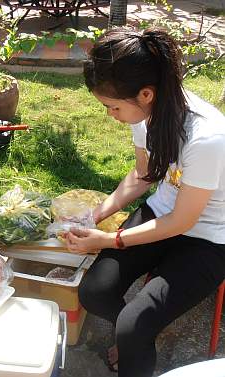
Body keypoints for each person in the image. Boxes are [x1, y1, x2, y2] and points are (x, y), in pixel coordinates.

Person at [62, 28, 225, 377]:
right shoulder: (146, 113)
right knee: (94, 293)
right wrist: (95, 215)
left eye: (112, 107)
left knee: (133, 326)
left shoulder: (207, 137)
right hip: (164, 213)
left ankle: (134, 335)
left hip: (208, 237)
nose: (110, 114)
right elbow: (144, 175)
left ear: (146, 93)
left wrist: (110, 239)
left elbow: (182, 223)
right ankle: (137, 336)